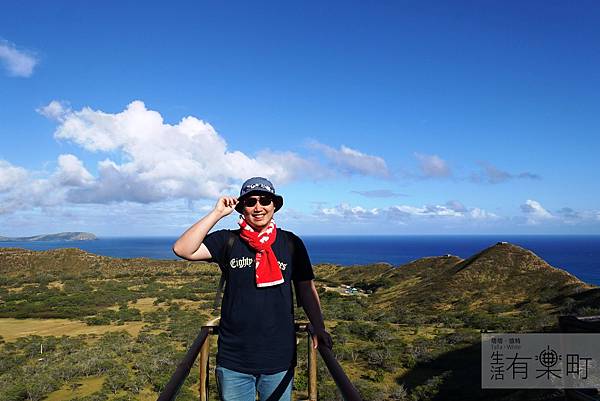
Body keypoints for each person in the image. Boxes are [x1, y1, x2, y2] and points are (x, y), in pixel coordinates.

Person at [173, 177, 332, 401]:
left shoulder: (290, 243)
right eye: (250, 202)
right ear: (242, 207)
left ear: (274, 205)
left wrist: (319, 327)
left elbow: (306, 289)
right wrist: (217, 213)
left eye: (265, 200)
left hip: (279, 358)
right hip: (234, 359)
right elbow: (183, 249)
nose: (258, 207)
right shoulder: (228, 240)